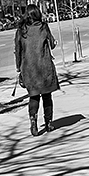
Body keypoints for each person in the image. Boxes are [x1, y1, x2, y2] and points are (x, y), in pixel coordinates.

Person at [14, 4, 59, 137]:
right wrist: (53, 42)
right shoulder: (43, 27)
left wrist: (18, 68)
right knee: (46, 95)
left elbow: (18, 50)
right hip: (44, 67)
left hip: (29, 69)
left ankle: (33, 122)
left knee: (33, 96)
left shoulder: (21, 30)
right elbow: (52, 44)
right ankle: (48, 122)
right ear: (38, 14)